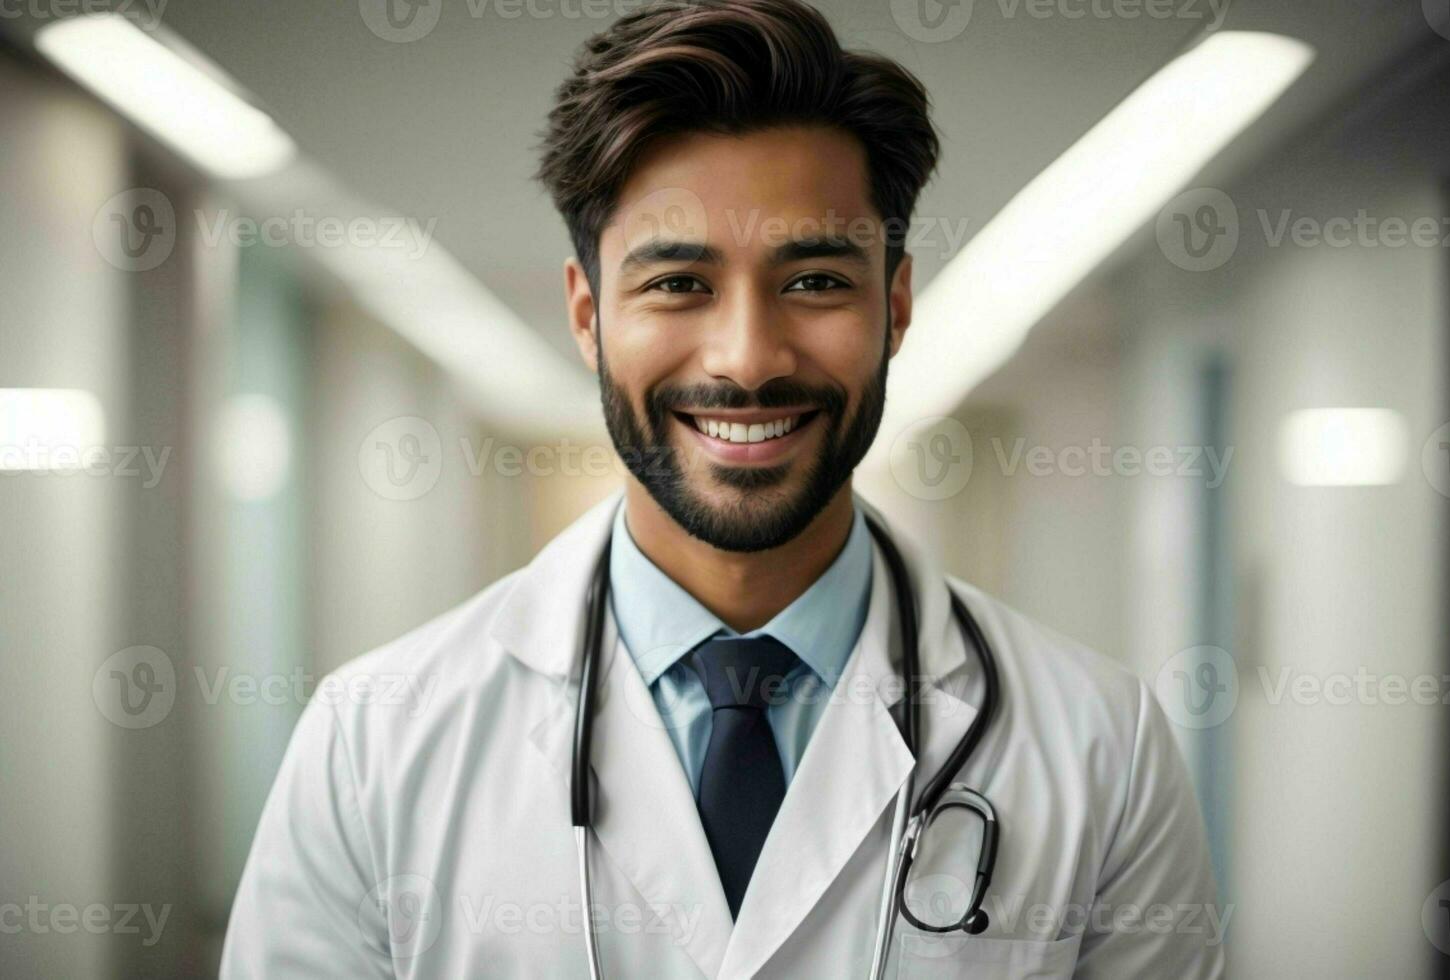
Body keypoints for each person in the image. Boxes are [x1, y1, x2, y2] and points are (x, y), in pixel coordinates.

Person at [221, 1, 1223, 976]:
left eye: (817, 280)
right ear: (587, 313)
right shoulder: (375, 739)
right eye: (677, 282)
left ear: (896, 303)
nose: (747, 358)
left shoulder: (1102, 747)